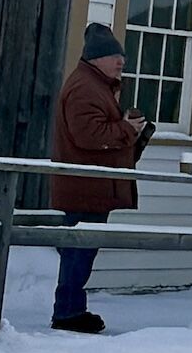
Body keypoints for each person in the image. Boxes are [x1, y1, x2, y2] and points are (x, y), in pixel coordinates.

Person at [49, 21, 148, 334]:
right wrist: (125, 130)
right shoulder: (85, 88)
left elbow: (99, 133)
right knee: (79, 251)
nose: (121, 62)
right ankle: (67, 313)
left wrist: (130, 132)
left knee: (81, 251)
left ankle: (71, 310)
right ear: (95, 59)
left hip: (90, 187)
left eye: (121, 57)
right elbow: (89, 134)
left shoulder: (95, 86)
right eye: (113, 56)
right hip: (86, 187)